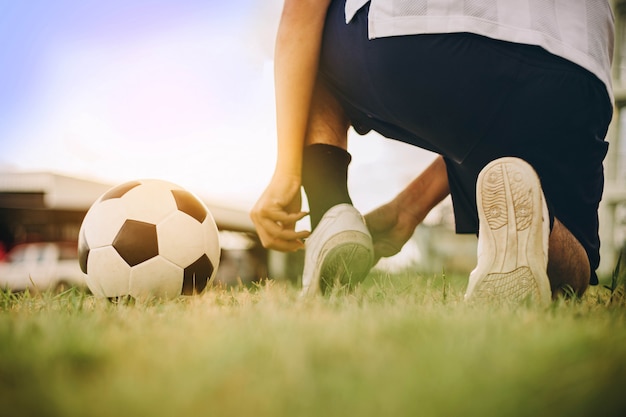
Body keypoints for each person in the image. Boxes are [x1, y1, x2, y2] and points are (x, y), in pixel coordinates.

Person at [250, 0, 614, 304]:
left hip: (426, 31)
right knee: (578, 249)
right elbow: (485, 114)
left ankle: (330, 210)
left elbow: (299, 18)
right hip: (581, 66)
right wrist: (407, 208)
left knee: (315, 32)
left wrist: (288, 173)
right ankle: (538, 233)